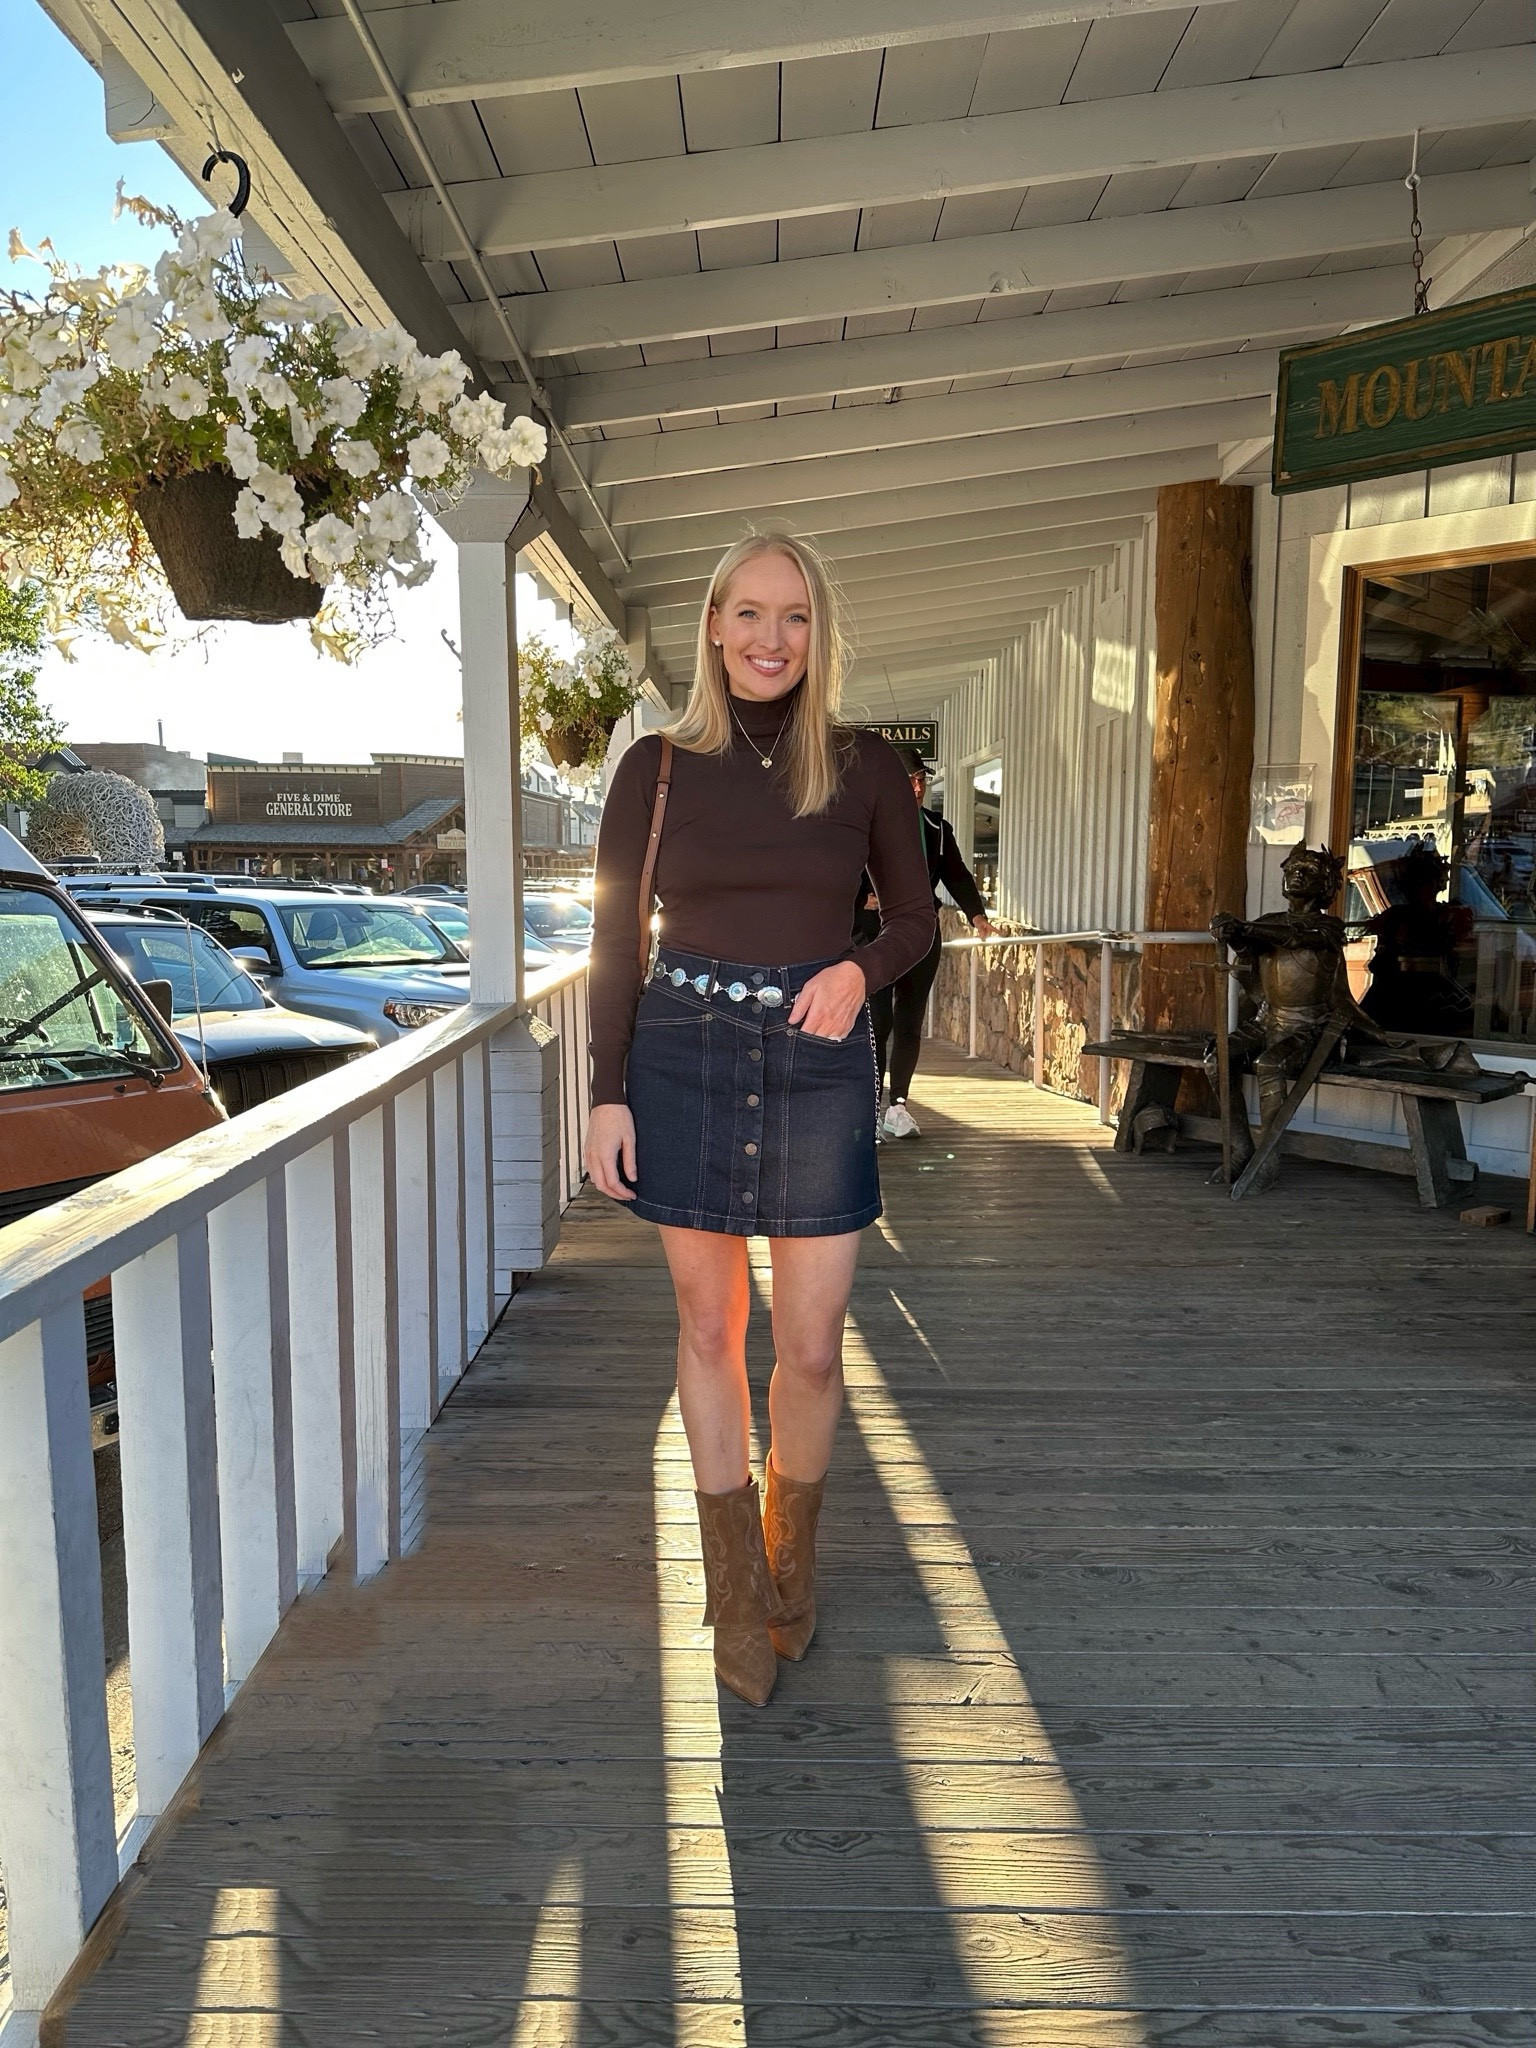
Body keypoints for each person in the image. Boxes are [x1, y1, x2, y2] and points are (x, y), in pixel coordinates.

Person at [583, 534, 935, 1707]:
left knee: (814, 1343)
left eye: (792, 616)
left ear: (817, 630)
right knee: (706, 1324)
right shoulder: (656, 765)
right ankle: (732, 1587)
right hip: (681, 1054)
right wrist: (605, 1088)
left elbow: (917, 920)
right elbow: (615, 940)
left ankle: (793, 1558)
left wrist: (858, 970)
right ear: (714, 624)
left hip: (820, 1057)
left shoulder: (867, 765)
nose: (769, 638)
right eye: (747, 613)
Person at [856, 747, 995, 1140]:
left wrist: (977, 915)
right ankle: (867, 1109)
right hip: (874, 935)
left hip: (921, 933)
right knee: (877, 1023)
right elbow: (836, 873)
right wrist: (858, 900)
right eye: (909, 780)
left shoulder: (934, 828)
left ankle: (897, 1107)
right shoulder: (864, 823)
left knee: (910, 1023)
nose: (917, 788)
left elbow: (956, 874)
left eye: (921, 780)